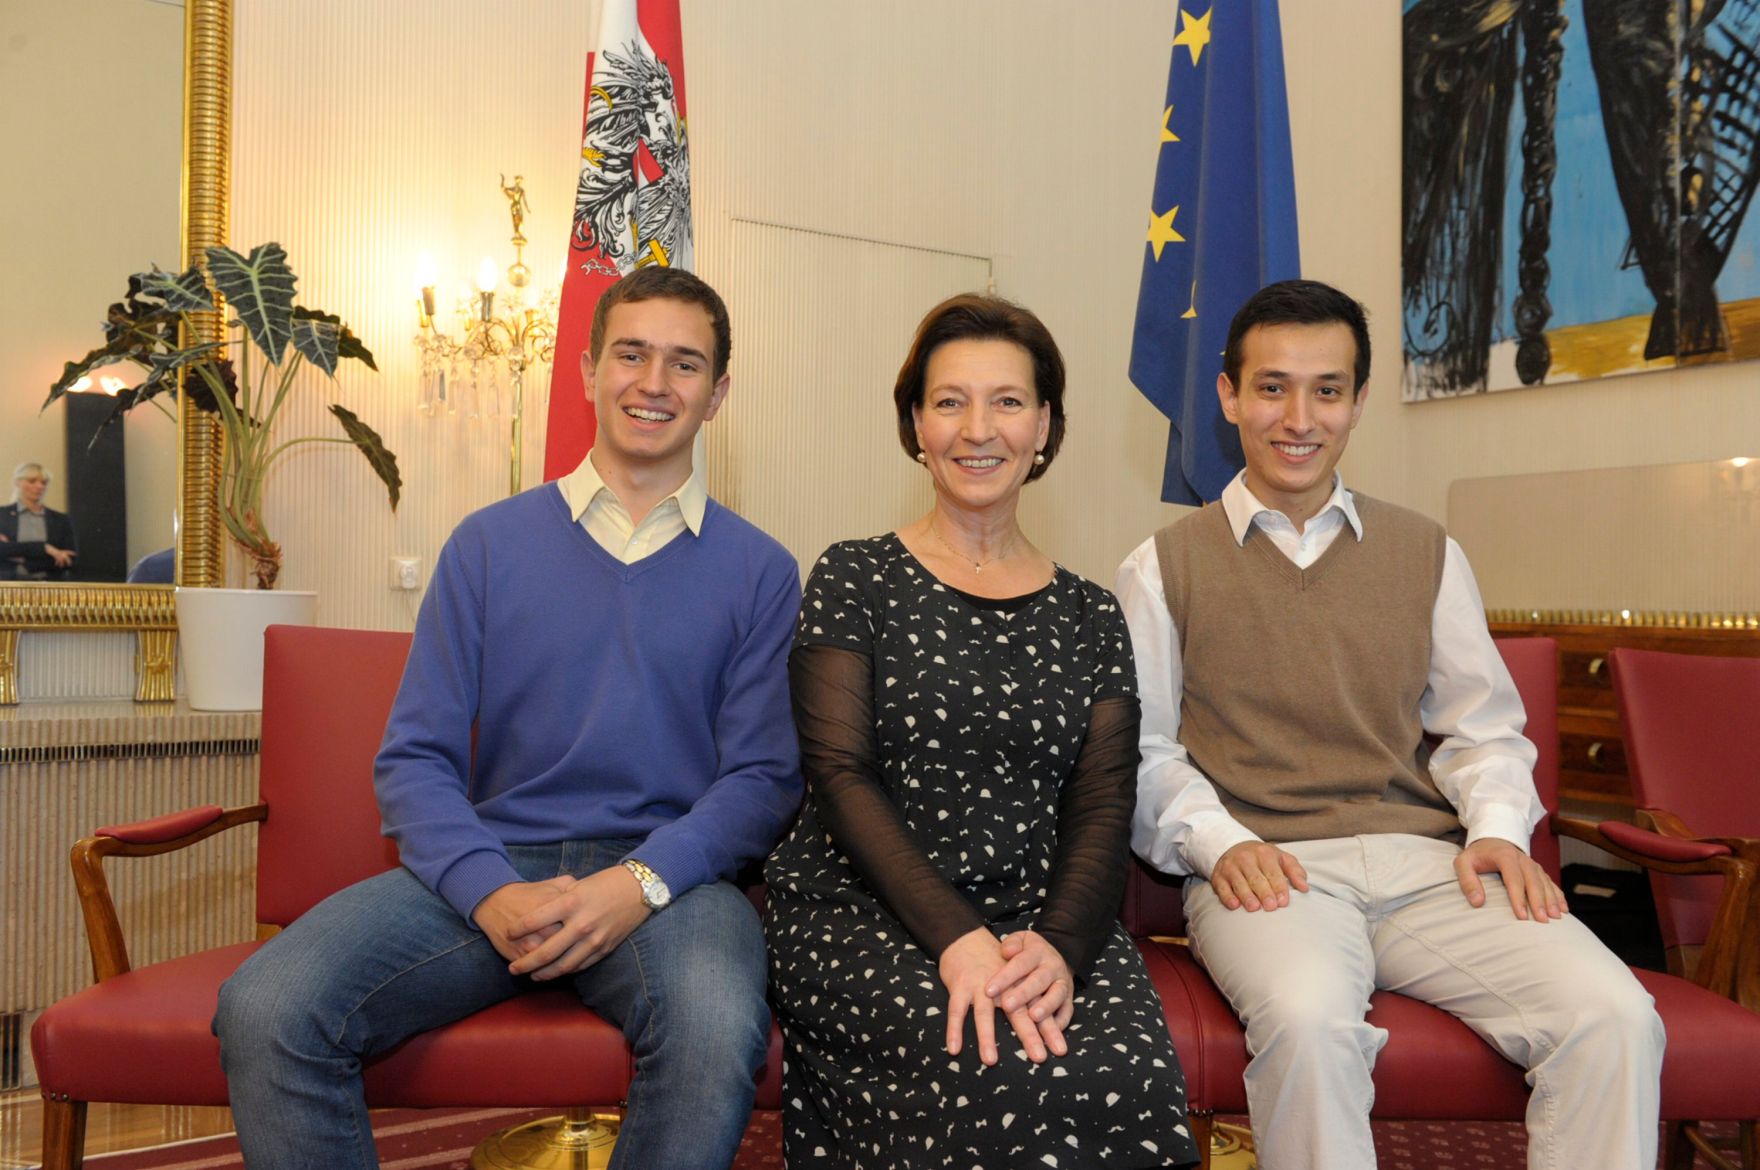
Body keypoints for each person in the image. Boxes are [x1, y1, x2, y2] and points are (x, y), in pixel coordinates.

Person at [213, 267, 803, 1170]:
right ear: (586, 369)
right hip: (495, 868)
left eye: (685, 365)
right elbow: (414, 760)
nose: (654, 382)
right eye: (631, 354)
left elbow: (762, 781)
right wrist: (487, 890)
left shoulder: (762, 571)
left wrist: (637, 883)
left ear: (717, 393)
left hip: (669, 886)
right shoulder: (487, 545)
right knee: (267, 1007)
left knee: (716, 1027)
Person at [1116, 279, 1665, 1170]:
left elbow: (1481, 727)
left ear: (1358, 401)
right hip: (1268, 871)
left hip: (1429, 865)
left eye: (1327, 389)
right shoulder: (1161, 567)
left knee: (1615, 1015)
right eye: (1272, 386)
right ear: (1227, 396)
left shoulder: (1428, 550)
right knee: (1308, 1024)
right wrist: (1217, 844)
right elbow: (1144, 751)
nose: (1300, 416)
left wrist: (1494, 832)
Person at [765, 294, 1201, 1169]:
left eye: (1007, 401)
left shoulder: (1092, 613)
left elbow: (1104, 800)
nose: (978, 428)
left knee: (1125, 1082)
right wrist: (956, 939)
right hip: (869, 910)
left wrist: (1062, 947)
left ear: (1045, 426)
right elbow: (840, 774)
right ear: (916, 424)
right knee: (996, 1075)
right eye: (949, 400)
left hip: (1045, 914)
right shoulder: (854, 577)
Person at [1, 461, 77, 579]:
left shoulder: (60, 520)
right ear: (17, 482)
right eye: (32, 481)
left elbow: (68, 558)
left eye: (44, 482)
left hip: (49, 588)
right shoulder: (2, 515)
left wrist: (23, 561)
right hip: (9, 588)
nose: (40, 486)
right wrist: (46, 549)